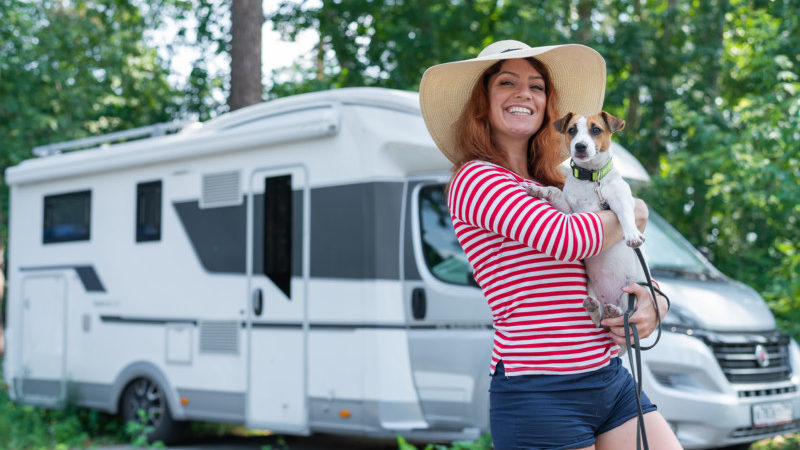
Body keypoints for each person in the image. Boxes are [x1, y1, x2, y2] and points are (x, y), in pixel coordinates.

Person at [419, 41, 683, 450]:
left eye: (537, 86)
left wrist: (655, 301)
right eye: (507, 82)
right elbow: (567, 240)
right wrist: (636, 213)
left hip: (608, 378)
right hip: (541, 390)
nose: (524, 93)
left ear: (547, 106)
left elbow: (621, 255)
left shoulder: (559, 183)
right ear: (482, 103)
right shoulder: (476, 180)